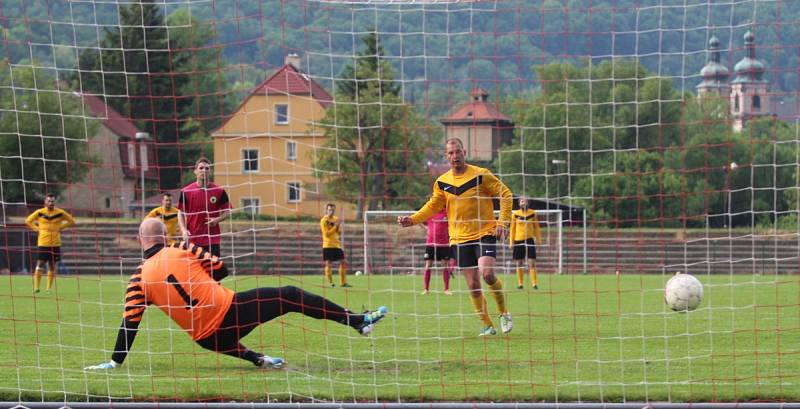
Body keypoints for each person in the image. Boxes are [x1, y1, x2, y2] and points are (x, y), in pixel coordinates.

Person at [84, 218, 387, 371]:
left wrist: (115, 361)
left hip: (205, 339)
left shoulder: (136, 278)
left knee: (222, 339)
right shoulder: (181, 247)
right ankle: (357, 320)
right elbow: (222, 269)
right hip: (228, 313)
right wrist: (202, 279)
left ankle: (260, 360)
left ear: (140, 240)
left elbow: (129, 324)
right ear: (166, 235)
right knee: (289, 294)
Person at [398, 138, 513, 336]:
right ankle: (487, 325)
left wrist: (503, 223)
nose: (455, 156)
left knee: (487, 274)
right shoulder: (442, 182)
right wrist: (413, 219)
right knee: (472, 284)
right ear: (446, 156)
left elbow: (506, 194)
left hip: (485, 232)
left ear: (464, 152)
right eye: (450, 153)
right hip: (459, 238)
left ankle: (504, 313)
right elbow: (433, 206)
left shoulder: (481, 175)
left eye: (457, 151)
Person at [177, 157, 231, 257]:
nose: (204, 171)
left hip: (212, 239)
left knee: (213, 270)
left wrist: (217, 220)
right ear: (195, 171)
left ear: (210, 171)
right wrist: (184, 230)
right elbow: (180, 213)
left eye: (207, 168)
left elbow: (228, 211)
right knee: (194, 271)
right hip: (193, 238)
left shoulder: (219, 191)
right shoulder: (186, 191)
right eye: (201, 168)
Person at [25, 193, 76, 293]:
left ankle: (49, 288)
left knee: (52, 265)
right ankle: (36, 287)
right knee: (40, 264)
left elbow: (72, 221)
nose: (51, 203)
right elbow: (28, 221)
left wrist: (61, 227)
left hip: (55, 243)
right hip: (43, 243)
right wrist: (36, 229)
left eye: (52, 201)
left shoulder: (60, 213)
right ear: (45, 202)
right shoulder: (40, 212)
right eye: (49, 201)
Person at [509, 197, 542, 290]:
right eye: (522, 201)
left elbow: (536, 228)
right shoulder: (515, 214)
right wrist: (511, 242)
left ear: (528, 203)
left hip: (530, 239)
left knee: (532, 262)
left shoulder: (533, 213)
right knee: (519, 262)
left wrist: (539, 240)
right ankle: (520, 284)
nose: (524, 203)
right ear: (519, 204)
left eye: (526, 201)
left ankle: (534, 284)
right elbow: (512, 229)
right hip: (518, 240)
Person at [420, 209, 455, 295]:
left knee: (445, 266)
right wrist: (426, 228)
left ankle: (446, 289)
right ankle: (426, 289)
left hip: (444, 244)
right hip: (430, 243)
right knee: (428, 265)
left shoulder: (448, 212)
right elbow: (419, 218)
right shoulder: (430, 210)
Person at [320, 203, 350, 287]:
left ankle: (343, 283)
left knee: (343, 262)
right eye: (330, 210)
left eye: (333, 210)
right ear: (326, 210)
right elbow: (326, 234)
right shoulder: (324, 220)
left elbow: (339, 232)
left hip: (337, 245)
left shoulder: (336, 219)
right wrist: (335, 225)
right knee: (329, 263)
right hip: (328, 245)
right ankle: (330, 283)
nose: (332, 211)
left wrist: (338, 227)